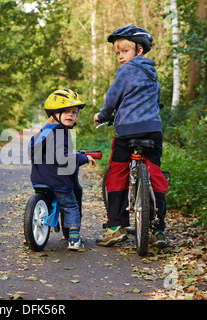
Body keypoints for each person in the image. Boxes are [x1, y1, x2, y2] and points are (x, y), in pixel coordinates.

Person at [94, 25, 169, 247]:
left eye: (124, 51)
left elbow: (113, 96)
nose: (120, 57)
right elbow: (154, 101)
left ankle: (115, 227)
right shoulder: (153, 74)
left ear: (139, 51)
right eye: (117, 53)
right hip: (153, 131)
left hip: (128, 132)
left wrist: (104, 114)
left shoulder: (126, 71)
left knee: (116, 172)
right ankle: (159, 230)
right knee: (156, 175)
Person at [29, 89, 96, 250]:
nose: (70, 115)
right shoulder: (61, 132)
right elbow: (64, 159)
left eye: (74, 112)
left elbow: (32, 151)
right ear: (55, 113)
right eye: (65, 111)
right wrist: (84, 158)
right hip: (58, 181)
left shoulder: (44, 132)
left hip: (39, 180)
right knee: (70, 206)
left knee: (47, 200)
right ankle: (73, 239)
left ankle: (30, 234)